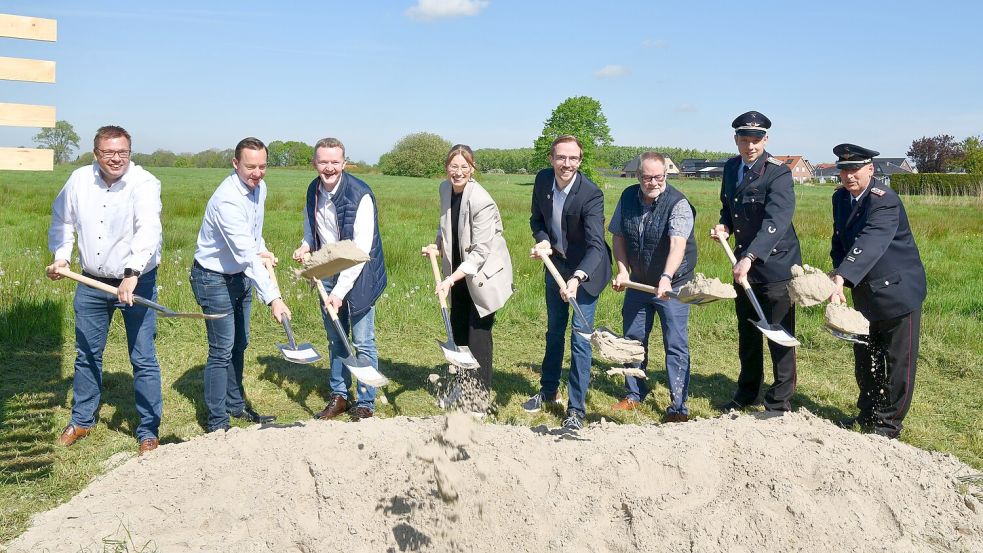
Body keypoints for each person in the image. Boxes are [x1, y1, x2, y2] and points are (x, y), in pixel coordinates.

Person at [46, 125, 164, 455]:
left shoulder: (144, 182)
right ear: (96, 153)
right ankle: (82, 420)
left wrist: (132, 273)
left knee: (143, 356)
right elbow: (62, 220)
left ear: (130, 152)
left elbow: (148, 229)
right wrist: (61, 257)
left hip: (136, 282)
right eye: (109, 152)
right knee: (87, 353)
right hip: (91, 282)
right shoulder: (79, 180)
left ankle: (148, 430)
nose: (116, 158)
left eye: (123, 152)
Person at [191, 137, 290, 433]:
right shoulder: (227, 200)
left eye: (262, 166)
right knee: (221, 349)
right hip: (213, 278)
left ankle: (235, 406)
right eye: (250, 167)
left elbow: (253, 235)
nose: (257, 173)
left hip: (240, 277)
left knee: (240, 344)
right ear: (235, 164)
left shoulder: (260, 188)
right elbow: (246, 254)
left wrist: (264, 250)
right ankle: (217, 423)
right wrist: (274, 298)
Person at [828, 143, 926, 439]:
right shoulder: (840, 198)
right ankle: (868, 413)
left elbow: (871, 241)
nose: (849, 176)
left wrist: (843, 275)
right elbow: (840, 239)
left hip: (897, 292)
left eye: (855, 169)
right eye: (844, 170)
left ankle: (888, 425)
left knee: (897, 363)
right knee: (865, 357)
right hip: (864, 292)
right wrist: (836, 271)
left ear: (870, 169)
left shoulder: (885, 200)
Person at [711, 111, 801, 413]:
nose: (750, 146)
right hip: (744, 266)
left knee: (779, 334)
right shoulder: (731, 167)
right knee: (748, 333)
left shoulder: (778, 173)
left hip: (775, 265)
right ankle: (747, 393)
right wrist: (725, 226)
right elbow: (729, 207)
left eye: (756, 140)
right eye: (745, 140)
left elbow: (777, 220)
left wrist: (750, 256)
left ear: (766, 139)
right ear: (736, 139)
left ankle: (779, 400)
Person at [292, 137, 387, 421]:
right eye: (323, 162)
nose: (329, 167)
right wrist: (306, 245)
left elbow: (360, 251)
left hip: (360, 272)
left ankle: (366, 402)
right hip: (327, 271)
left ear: (344, 163)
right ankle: (340, 396)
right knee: (336, 338)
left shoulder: (361, 195)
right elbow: (312, 225)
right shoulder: (313, 190)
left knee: (362, 340)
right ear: (315, 163)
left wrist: (340, 292)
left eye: (335, 162)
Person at [524, 135, 612, 431]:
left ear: (580, 161)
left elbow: (596, 246)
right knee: (554, 331)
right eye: (561, 157)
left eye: (573, 158)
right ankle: (548, 391)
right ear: (551, 158)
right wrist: (543, 241)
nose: (567, 163)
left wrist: (576, 279)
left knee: (580, 339)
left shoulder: (591, 194)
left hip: (586, 272)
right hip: (556, 266)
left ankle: (576, 410)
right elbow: (536, 221)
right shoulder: (542, 180)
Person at [609, 152, 697, 422]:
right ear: (638, 176)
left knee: (675, 343)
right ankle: (634, 393)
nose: (653, 183)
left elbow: (678, 244)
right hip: (638, 282)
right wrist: (622, 270)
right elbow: (618, 236)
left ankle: (678, 406)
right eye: (647, 178)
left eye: (659, 177)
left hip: (673, 285)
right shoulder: (627, 197)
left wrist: (666, 277)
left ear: (666, 175)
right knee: (632, 340)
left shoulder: (678, 203)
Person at [429, 144, 514, 409]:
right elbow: (445, 223)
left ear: (472, 168)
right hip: (458, 273)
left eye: (464, 167)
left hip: (482, 276)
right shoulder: (445, 189)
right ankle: (462, 388)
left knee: (477, 337)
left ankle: (479, 400)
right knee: (458, 333)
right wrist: (437, 243)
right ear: (446, 168)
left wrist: (450, 280)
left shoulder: (481, 200)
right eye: (453, 166)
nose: (458, 172)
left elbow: (480, 253)